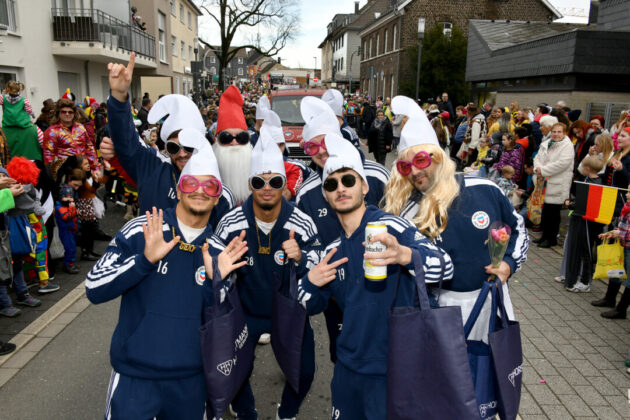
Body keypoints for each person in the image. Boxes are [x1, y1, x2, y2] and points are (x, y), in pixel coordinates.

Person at [86, 128, 248, 419]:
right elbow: (94, 288)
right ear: (179, 189)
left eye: (209, 186)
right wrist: (144, 260)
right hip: (135, 377)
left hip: (191, 381)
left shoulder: (222, 252)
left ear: (217, 198)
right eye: (191, 184)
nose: (199, 191)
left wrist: (216, 284)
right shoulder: (142, 229)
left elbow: (224, 327)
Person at [297, 132, 453, 419]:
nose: (340, 189)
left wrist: (406, 256)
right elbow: (306, 304)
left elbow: (445, 266)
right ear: (325, 195)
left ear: (364, 186)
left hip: (395, 368)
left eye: (348, 180)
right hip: (348, 369)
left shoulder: (390, 226)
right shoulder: (332, 250)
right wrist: (310, 281)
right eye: (331, 184)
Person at [383, 95, 527, 340]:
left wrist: (508, 264)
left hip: (490, 302)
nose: (415, 171)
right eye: (406, 166)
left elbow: (518, 228)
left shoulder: (484, 189)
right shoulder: (406, 211)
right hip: (435, 309)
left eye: (421, 160)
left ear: (438, 157)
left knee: (487, 372)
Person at [214, 133, 322, 420]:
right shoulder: (230, 223)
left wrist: (301, 258)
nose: (266, 188)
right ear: (249, 185)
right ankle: (245, 408)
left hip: (286, 310)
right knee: (233, 367)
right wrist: (224, 264)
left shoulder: (301, 221)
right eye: (258, 182)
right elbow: (214, 268)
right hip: (245, 309)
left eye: (275, 181)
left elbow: (319, 260)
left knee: (305, 370)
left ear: (284, 185)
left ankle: (286, 412)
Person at [296, 96, 390, 364]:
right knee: (344, 354)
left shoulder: (375, 175)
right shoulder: (307, 192)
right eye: (312, 145)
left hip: (380, 286)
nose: (321, 151)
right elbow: (310, 243)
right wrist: (307, 263)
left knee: (386, 354)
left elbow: (395, 220)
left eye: (326, 142)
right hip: (337, 295)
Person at [100, 53, 233, 229]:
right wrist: (118, 95)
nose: (182, 153)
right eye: (173, 147)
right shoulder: (153, 166)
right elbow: (125, 139)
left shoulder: (218, 191)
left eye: (189, 146)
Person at [563, 156, 605, 293]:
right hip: (584, 221)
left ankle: (586, 281)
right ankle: (581, 278)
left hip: (588, 223)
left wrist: (572, 205)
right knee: (583, 251)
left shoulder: (594, 183)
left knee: (587, 252)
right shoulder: (590, 180)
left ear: (587, 169)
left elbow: (585, 203)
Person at [533, 122, 575, 248]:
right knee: (545, 212)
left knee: (553, 214)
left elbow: (563, 163)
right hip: (544, 182)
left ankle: (551, 239)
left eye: (559, 132)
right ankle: (544, 236)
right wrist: (538, 169)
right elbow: (537, 158)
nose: (556, 134)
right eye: (554, 131)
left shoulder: (567, 146)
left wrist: (543, 170)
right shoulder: (546, 143)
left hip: (557, 183)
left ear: (565, 133)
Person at [594, 184, 630, 319]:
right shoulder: (627, 207)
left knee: (629, 281)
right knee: (616, 271)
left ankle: (621, 309)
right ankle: (609, 299)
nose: (626, 194)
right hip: (623, 245)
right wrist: (613, 233)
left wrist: (618, 234)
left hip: (628, 246)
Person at [43, 98, 100, 177]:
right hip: (65, 175)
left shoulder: (80, 128)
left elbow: (90, 149)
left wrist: (95, 168)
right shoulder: (51, 132)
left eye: (70, 112)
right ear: (58, 113)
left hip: (83, 172)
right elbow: (48, 157)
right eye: (64, 112)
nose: (67, 114)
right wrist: (55, 178)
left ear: (74, 113)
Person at [1, 81, 43, 161]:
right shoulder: (36, 130)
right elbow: (46, 146)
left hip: (10, 169)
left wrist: (3, 94)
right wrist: (33, 114)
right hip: (31, 168)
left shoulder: (1, 133)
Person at [55, 171, 83, 274]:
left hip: (71, 230)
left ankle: (71, 263)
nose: (69, 199)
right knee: (69, 248)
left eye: (71, 197)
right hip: (66, 231)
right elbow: (66, 217)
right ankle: (68, 264)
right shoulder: (61, 207)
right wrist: (74, 211)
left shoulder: (66, 206)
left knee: (72, 247)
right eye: (66, 197)